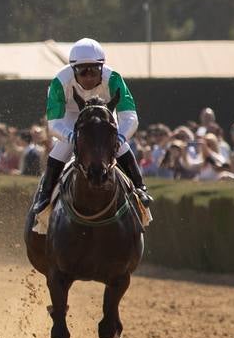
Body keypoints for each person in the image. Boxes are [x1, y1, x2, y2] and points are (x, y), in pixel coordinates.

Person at [30, 38, 152, 226]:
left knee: (119, 146)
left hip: (102, 113)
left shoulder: (114, 79)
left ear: (102, 68)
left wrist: (119, 139)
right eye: (82, 71)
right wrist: (73, 137)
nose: (88, 77)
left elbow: (130, 118)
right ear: (72, 70)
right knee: (63, 148)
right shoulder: (59, 82)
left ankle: (140, 189)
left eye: (94, 70)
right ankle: (44, 197)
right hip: (71, 115)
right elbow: (54, 124)